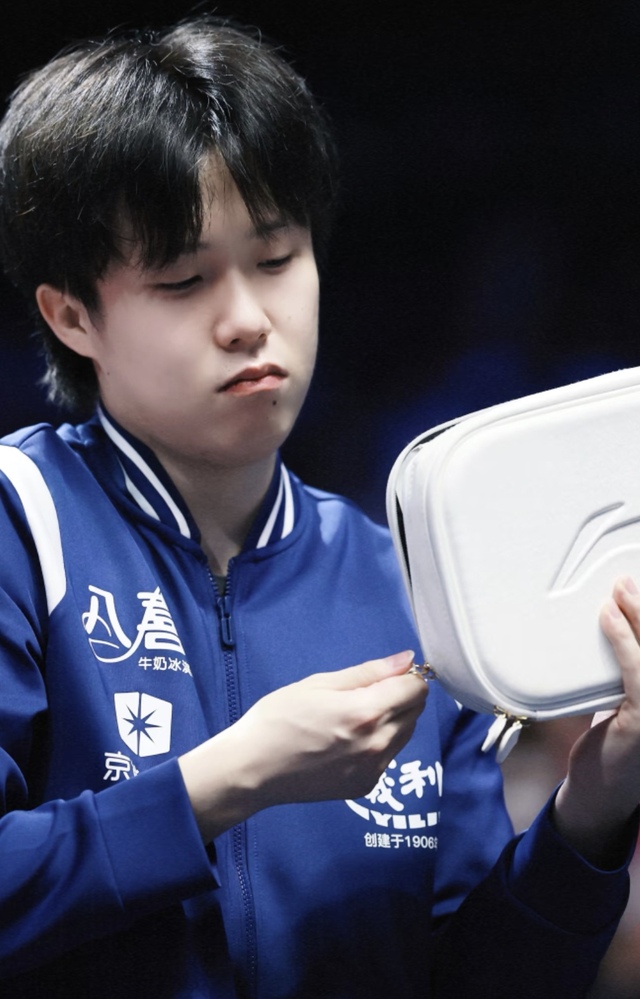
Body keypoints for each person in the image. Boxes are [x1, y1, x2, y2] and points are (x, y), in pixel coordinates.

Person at [0, 15, 638, 998]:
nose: (248, 319)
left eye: (275, 258)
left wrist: (593, 805)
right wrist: (225, 782)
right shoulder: (22, 522)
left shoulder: (405, 581)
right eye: (183, 279)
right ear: (72, 315)